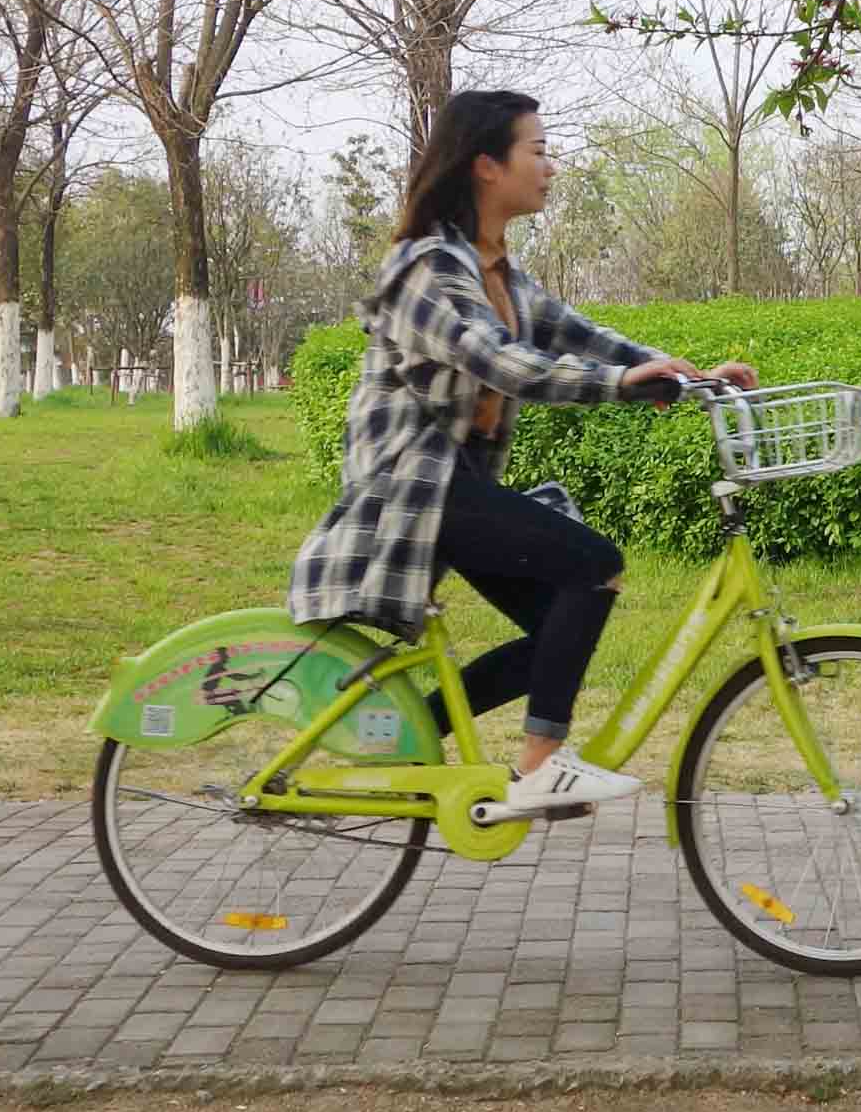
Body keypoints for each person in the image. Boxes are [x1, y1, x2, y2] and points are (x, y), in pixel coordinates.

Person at [289, 89, 759, 820]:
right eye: (537, 151)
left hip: (456, 481)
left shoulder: (496, 272)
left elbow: (582, 337)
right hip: (412, 483)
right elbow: (503, 363)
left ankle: (408, 736)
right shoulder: (426, 269)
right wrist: (621, 385)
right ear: (485, 165)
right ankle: (540, 767)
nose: (551, 166)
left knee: (563, 621)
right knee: (592, 562)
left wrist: (684, 376)